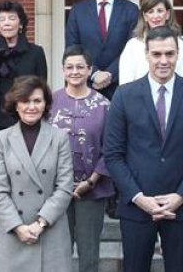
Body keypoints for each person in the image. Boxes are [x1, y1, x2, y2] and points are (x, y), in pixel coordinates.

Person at [103, 26, 183, 272]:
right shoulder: (124, 95)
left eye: (169, 53)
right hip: (137, 206)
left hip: (182, 207)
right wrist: (138, 197)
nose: (163, 61)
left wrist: (181, 196)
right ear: (146, 55)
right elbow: (112, 153)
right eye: (157, 54)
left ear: (178, 54)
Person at [0, 75, 74, 272]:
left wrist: (40, 223)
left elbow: (64, 187)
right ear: (15, 104)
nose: (31, 107)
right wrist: (18, 227)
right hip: (13, 233)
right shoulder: (2, 139)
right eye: (25, 101)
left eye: (37, 100)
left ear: (46, 104)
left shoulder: (59, 137)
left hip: (49, 231)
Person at [50, 47, 113, 272]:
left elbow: (111, 148)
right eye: (70, 67)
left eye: (80, 67)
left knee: (89, 254)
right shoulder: (50, 102)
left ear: (89, 70)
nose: (74, 71)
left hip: (92, 190)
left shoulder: (104, 105)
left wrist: (92, 181)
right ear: (63, 70)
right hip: (55, 189)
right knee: (58, 253)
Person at [0, 0, 48, 185]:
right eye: (2, 19)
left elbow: (42, 90)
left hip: (23, 121)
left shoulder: (36, 52)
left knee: (23, 178)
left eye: (11, 18)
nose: (6, 22)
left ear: (20, 23)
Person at [64, 0, 140, 99]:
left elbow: (133, 48)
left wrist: (110, 73)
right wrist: (94, 73)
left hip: (120, 86)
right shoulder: (78, 10)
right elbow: (72, 48)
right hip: (86, 85)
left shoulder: (131, 9)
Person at [118, 0, 183, 85]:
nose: (156, 16)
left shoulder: (180, 45)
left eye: (160, 11)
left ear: (168, 14)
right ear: (145, 16)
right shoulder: (132, 46)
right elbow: (126, 84)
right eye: (151, 12)